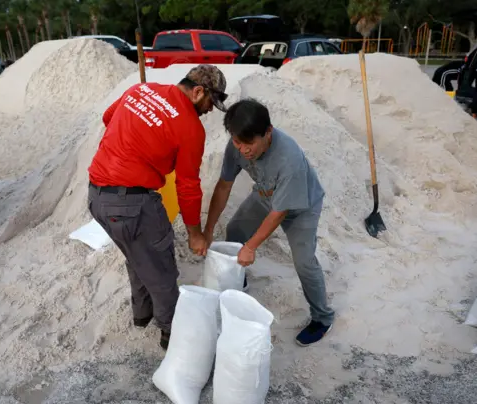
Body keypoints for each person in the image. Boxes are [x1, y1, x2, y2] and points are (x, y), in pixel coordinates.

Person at [88, 65, 228, 350]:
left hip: (96, 197)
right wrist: (195, 234)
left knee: (137, 255)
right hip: (132, 204)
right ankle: (170, 332)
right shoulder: (191, 128)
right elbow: (187, 187)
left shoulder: (141, 90)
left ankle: (142, 315)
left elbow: (108, 117)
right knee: (162, 268)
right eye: (210, 103)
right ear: (198, 91)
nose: (210, 110)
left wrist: (138, 135)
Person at [203, 98, 335, 347]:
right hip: (266, 193)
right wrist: (209, 230)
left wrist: (251, 247)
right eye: (237, 142)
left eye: (249, 143)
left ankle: (323, 318)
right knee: (235, 231)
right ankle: (238, 280)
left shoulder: (289, 159)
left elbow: (280, 212)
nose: (243, 150)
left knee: (304, 262)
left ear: (268, 133)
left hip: (301, 205)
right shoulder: (238, 144)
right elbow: (224, 186)